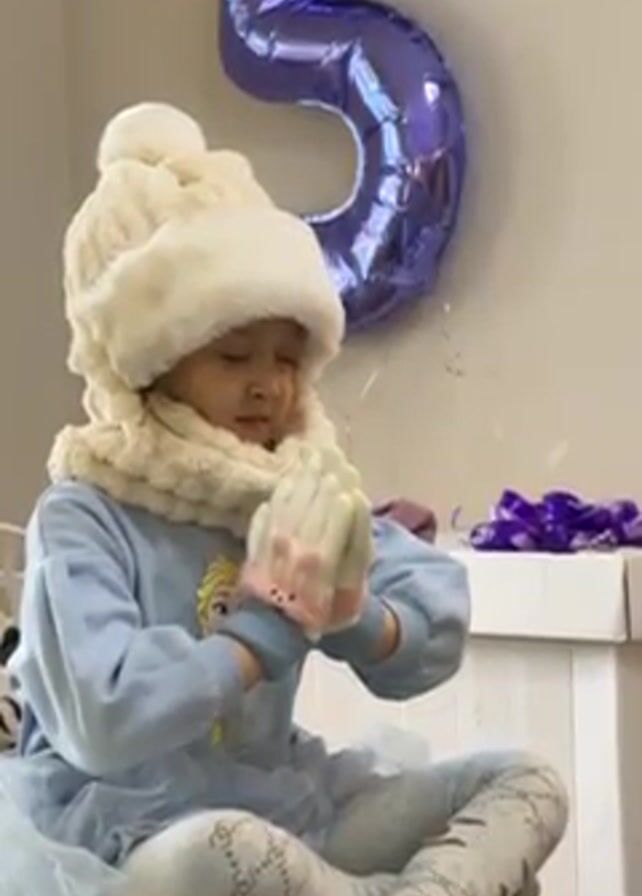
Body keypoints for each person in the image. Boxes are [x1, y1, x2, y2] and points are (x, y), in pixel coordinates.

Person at [6, 103, 567, 896]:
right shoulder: (85, 515)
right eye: (235, 356)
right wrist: (262, 632)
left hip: (291, 814)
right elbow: (105, 716)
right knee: (220, 849)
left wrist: (353, 614)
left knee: (526, 782)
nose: (268, 384)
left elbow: (430, 618)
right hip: (132, 834)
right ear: (155, 365)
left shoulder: (288, 486)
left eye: (285, 358)